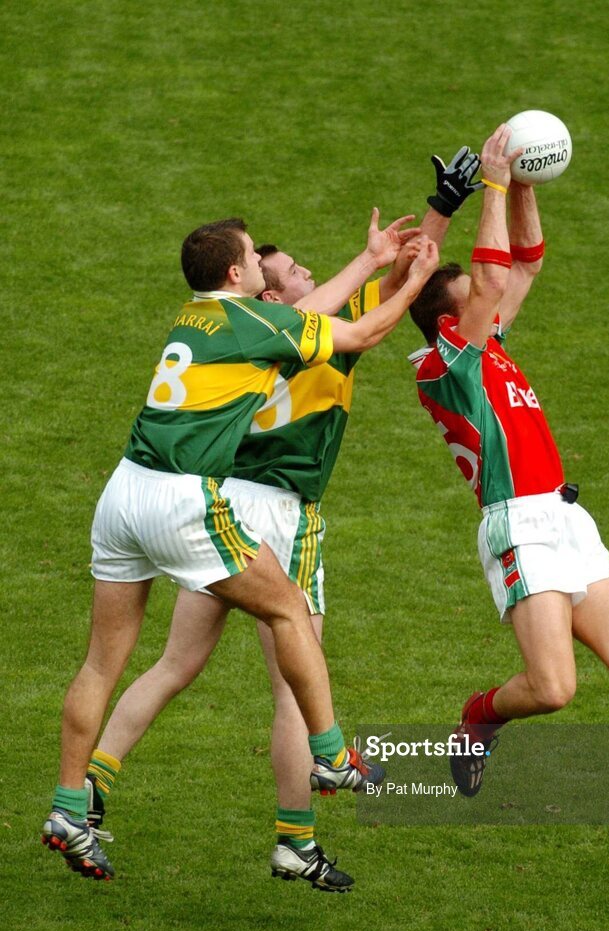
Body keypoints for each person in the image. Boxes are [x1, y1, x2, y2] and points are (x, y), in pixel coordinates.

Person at [79, 150, 483, 891]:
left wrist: (430, 218)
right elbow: (401, 286)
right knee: (296, 680)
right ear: (268, 291)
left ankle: (93, 781)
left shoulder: (247, 328)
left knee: (175, 663)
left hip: (212, 504)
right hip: (280, 514)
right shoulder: (304, 330)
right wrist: (442, 210)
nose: (307, 275)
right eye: (294, 272)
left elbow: (389, 274)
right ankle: (297, 836)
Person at [408, 125, 609, 822]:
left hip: (564, 516)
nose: (494, 295)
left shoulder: (486, 342)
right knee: (553, 688)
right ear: (450, 318)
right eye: (477, 297)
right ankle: (478, 716)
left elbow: (524, 262)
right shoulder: (447, 364)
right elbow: (494, 275)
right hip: (518, 524)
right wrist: (493, 183)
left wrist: (524, 185)